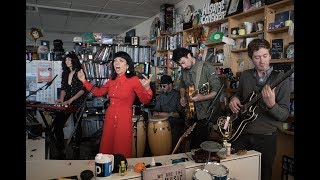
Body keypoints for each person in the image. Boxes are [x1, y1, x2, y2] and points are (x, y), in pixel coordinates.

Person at [228, 38, 291, 180]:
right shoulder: (245, 75)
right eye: (257, 57)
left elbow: (284, 115)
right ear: (251, 58)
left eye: (265, 56)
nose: (262, 61)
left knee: (262, 175)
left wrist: (272, 105)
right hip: (241, 134)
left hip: (266, 137)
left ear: (270, 55)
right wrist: (234, 99)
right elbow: (239, 94)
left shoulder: (282, 80)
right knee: (237, 174)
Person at [77, 51, 153, 158]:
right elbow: (98, 92)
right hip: (110, 116)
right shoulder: (111, 81)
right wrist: (84, 81)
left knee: (122, 147)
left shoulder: (134, 80)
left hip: (124, 117)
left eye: (121, 61)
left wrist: (147, 88)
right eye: (115, 60)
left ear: (127, 65)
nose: (117, 63)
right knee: (107, 145)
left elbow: (145, 100)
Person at [172, 47, 222, 150]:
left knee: (199, 146)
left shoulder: (207, 68)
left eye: (183, 62)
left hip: (205, 114)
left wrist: (202, 97)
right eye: (180, 64)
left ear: (189, 55)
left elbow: (216, 91)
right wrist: (182, 97)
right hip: (191, 113)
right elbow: (181, 84)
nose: (183, 66)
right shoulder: (184, 69)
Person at [52, 53, 87, 159]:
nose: (67, 62)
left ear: (74, 61)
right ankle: (60, 147)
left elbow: (82, 90)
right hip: (67, 102)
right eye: (65, 60)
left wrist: (70, 100)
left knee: (77, 126)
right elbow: (63, 88)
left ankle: (77, 146)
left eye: (69, 60)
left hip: (78, 103)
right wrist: (61, 100)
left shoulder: (80, 72)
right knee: (57, 125)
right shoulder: (65, 73)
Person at [152, 75, 185, 153]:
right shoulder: (160, 96)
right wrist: (168, 114)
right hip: (162, 123)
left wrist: (165, 114)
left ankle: (174, 154)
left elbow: (180, 114)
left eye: (164, 86)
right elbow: (154, 112)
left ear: (170, 85)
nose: (162, 88)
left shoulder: (177, 96)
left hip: (175, 124)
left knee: (174, 135)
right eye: (161, 86)